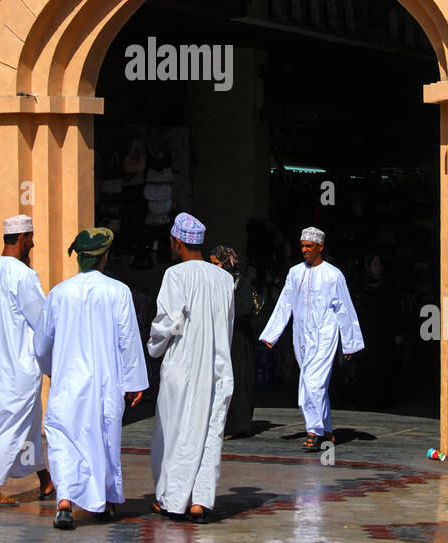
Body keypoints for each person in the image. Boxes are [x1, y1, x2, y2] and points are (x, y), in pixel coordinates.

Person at [36, 227, 147, 530]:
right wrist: (134, 381)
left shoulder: (58, 293)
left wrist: (51, 369)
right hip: (104, 385)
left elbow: (42, 343)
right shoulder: (118, 291)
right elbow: (128, 339)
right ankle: (106, 501)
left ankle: (64, 502)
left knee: (64, 440)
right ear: (104, 257)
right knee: (104, 441)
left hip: (67, 384)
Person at [148, 212, 234, 523]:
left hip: (182, 366)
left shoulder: (175, 275)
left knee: (175, 430)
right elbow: (227, 323)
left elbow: (168, 321)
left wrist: (152, 349)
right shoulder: (224, 278)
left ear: (176, 241)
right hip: (217, 367)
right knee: (209, 431)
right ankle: (199, 501)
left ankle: (172, 499)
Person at [259, 227, 364, 450]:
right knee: (315, 383)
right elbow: (284, 304)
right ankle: (326, 431)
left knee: (312, 384)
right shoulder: (295, 272)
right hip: (301, 336)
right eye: (303, 246)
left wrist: (350, 343)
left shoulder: (333, 275)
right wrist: (272, 334)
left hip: (325, 334)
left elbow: (345, 308)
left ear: (320, 247)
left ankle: (314, 432)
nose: (305, 250)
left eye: (309, 246)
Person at [0, 214, 54, 508]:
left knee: (28, 424)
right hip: (19, 365)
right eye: (31, 239)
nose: (32, 244)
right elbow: (42, 322)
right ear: (23, 238)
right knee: (15, 425)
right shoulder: (23, 276)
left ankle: (45, 481)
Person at [211, 245, 257, 438]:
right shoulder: (214, 283)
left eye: (217, 263)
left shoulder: (241, 283)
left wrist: (224, 315)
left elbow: (245, 309)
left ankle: (237, 426)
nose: (214, 267)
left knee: (238, 379)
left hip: (238, 340)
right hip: (222, 338)